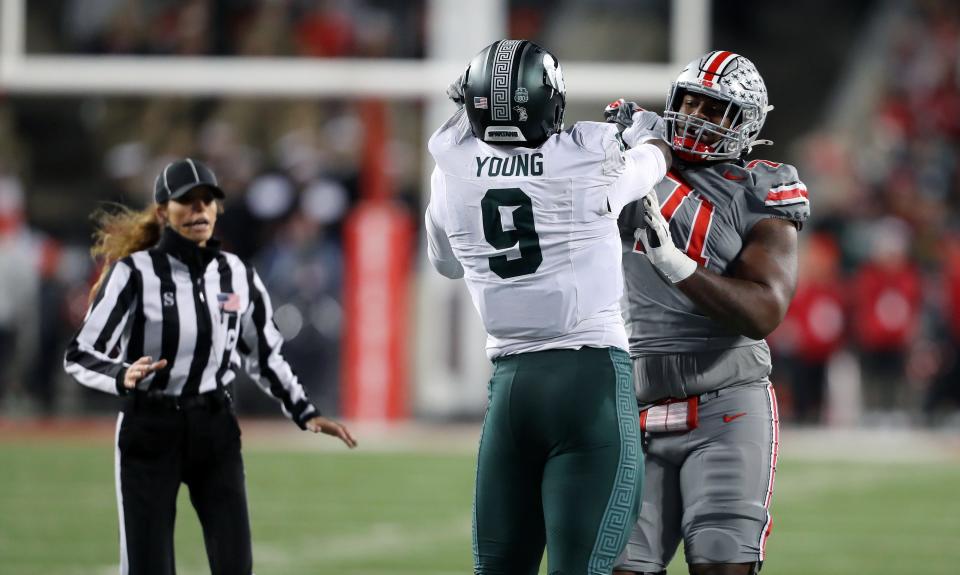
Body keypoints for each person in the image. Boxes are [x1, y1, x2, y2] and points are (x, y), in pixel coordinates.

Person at [426, 39, 671, 575]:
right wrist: (645, 131)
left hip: (511, 390)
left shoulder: (448, 170)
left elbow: (444, 263)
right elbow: (655, 157)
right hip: (589, 383)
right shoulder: (589, 160)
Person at [63, 158, 356, 575]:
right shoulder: (134, 274)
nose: (200, 210)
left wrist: (303, 411)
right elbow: (80, 352)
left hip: (214, 425)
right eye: (188, 201)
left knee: (235, 564)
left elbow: (265, 353)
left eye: (208, 201)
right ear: (164, 211)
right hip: (151, 425)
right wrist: (120, 374)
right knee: (148, 567)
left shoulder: (236, 273)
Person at [608, 51, 809, 575]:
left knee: (721, 564)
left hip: (727, 406)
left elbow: (765, 310)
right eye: (689, 100)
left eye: (714, 107)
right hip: (636, 402)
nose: (696, 114)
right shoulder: (636, 162)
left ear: (746, 123)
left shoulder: (759, 189)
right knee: (622, 567)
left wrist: (675, 264)